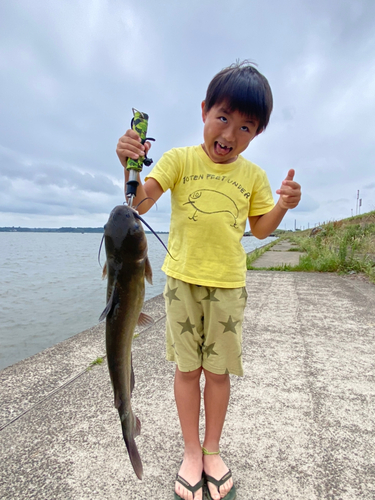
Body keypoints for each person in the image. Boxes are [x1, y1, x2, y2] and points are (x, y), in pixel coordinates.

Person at [116, 61, 301, 500]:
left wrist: (282, 207)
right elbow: (137, 205)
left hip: (228, 287)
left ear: (256, 134)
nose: (230, 135)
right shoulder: (180, 159)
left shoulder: (252, 175)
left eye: (246, 128)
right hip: (181, 284)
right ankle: (190, 453)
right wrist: (129, 165)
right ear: (204, 111)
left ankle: (212, 450)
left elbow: (259, 229)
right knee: (187, 370)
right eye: (223, 118)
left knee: (217, 374)